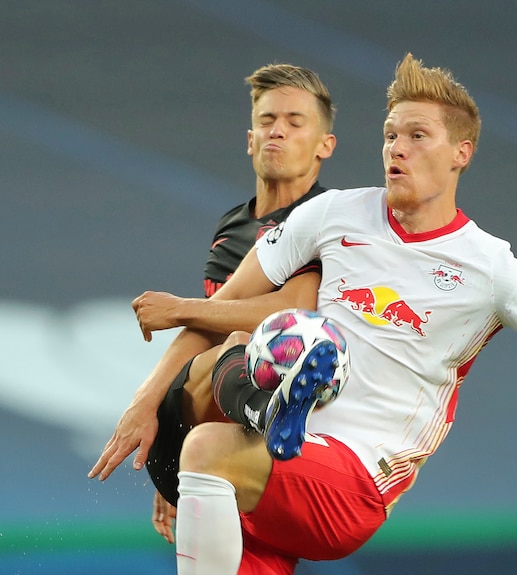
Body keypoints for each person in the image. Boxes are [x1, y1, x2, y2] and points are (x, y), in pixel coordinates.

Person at [155, 53, 517, 575]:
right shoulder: (332, 215)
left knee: (206, 447)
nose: (397, 148)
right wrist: (148, 408)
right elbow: (220, 307)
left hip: (356, 478)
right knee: (224, 369)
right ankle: (257, 421)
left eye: (417, 136)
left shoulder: (491, 268)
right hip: (275, 462)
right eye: (390, 135)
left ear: (461, 153)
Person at [87, 62, 336, 542]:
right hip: (210, 419)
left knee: (262, 344)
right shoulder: (233, 226)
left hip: (244, 436)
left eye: (294, 122)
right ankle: (241, 425)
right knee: (237, 343)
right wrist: (150, 405)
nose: (277, 132)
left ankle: (245, 426)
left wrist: (180, 307)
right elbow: (207, 328)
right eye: (267, 121)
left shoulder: (327, 220)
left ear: (325, 145)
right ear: (249, 138)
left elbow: (297, 314)